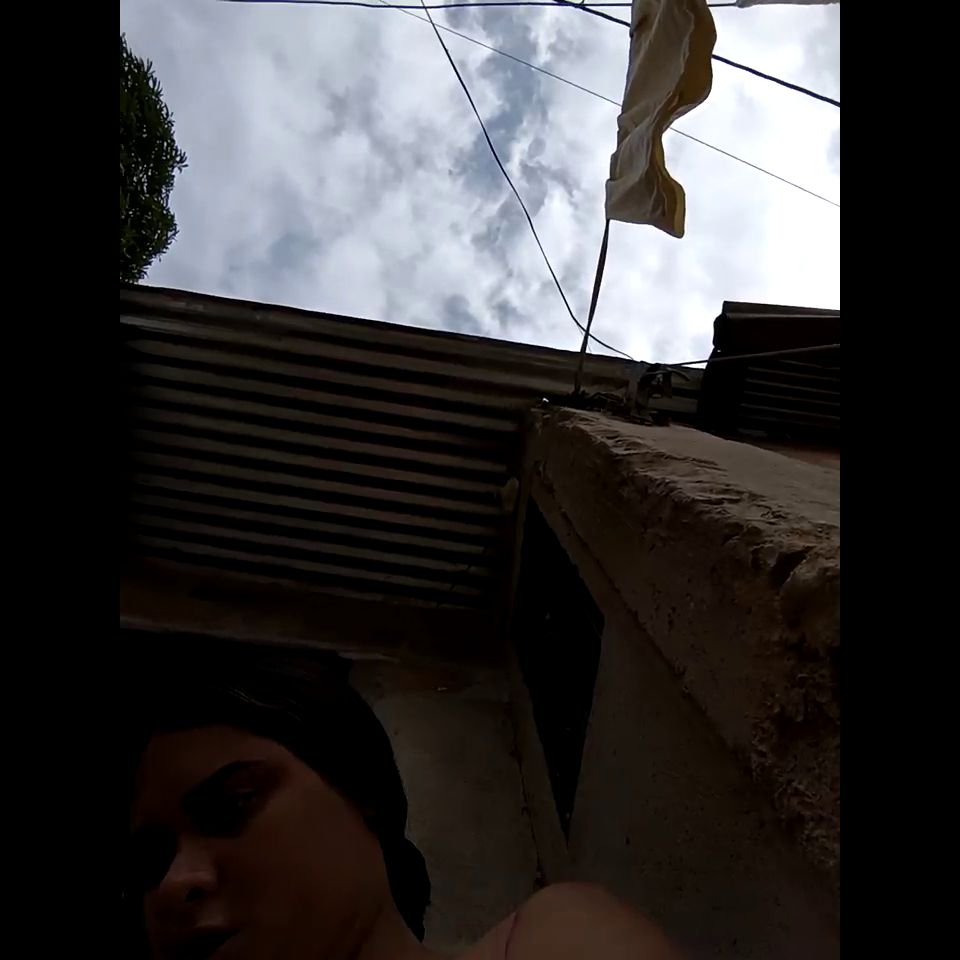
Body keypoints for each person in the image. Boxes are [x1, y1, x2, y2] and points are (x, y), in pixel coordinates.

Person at [123, 642, 681, 960]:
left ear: (359, 787)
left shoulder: (554, 939)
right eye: (148, 862)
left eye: (234, 803)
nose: (172, 883)